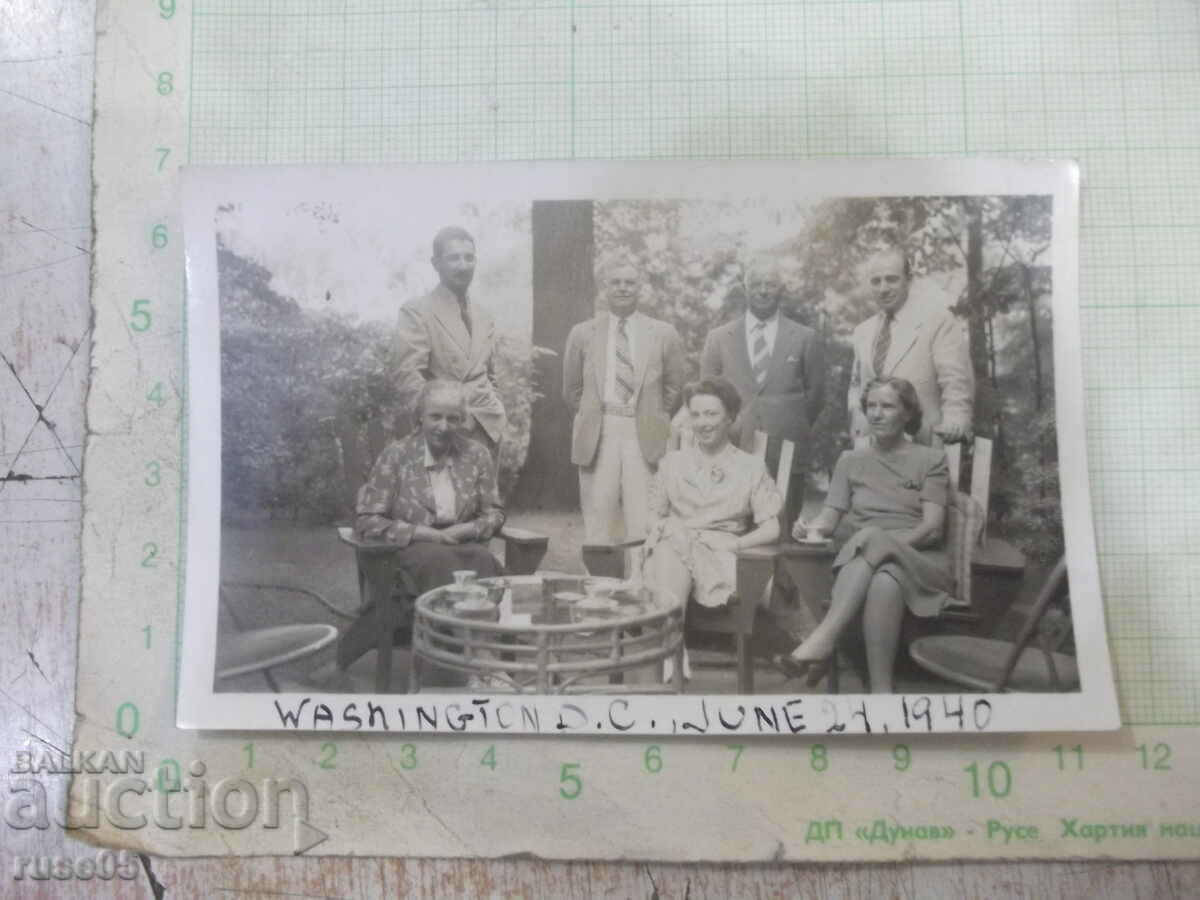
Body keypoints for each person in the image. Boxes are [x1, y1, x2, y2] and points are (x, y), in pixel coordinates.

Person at [775, 376, 953, 693]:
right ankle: (881, 693)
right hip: (870, 567)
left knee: (872, 537)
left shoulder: (931, 459)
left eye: (887, 406)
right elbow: (828, 520)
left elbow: (932, 528)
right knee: (885, 580)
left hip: (922, 563)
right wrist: (809, 527)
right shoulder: (850, 460)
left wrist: (883, 544)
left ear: (908, 413)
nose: (876, 414)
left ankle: (823, 640)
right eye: (871, 406)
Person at [563, 260, 687, 544]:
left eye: (629, 282)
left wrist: (651, 415)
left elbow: (674, 388)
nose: (622, 288)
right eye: (615, 282)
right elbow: (571, 390)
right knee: (598, 518)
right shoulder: (582, 333)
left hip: (643, 430)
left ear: (639, 288)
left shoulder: (663, 333)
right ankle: (598, 584)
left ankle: (642, 583)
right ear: (604, 288)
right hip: (599, 429)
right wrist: (596, 415)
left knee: (643, 517)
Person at [699, 257, 825, 529]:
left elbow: (816, 396)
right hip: (731, 447)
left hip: (785, 448)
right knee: (727, 528)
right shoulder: (719, 338)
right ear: (745, 290)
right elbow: (706, 395)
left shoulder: (805, 338)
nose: (763, 290)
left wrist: (786, 420)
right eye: (756, 284)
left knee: (781, 530)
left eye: (770, 284)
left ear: (781, 289)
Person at [642, 378, 782, 620]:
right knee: (670, 546)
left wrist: (735, 545)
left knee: (667, 554)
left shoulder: (750, 467)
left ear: (729, 417)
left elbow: (772, 528)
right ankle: (672, 652)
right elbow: (654, 514)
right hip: (674, 543)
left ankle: (669, 651)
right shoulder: (673, 464)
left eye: (710, 414)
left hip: (722, 556)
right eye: (695, 415)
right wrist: (659, 527)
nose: (702, 423)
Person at [356, 380, 505, 596]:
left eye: (453, 418)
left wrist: (468, 529)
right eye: (435, 416)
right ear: (420, 417)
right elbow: (367, 521)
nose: (443, 427)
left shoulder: (477, 455)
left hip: (463, 543)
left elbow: (495, 513)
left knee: (482, 559)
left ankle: (479, 625)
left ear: (463, 420)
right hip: (413, 548)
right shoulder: (396, 456)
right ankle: (450, 625)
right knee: (441, 561)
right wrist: (426, 534)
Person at [395, 227, 506, 459]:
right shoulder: (417, 311)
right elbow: (408, 375)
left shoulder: (484, 316)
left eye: (469, 257)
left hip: (488, 429)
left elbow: (489, 374)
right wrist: (437, 424)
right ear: (436, 263)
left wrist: (496, 408)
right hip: (445, 433)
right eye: (453, 258)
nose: (463, 265)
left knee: (486, 496)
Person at [848, 247, 973, 447]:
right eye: (876, 281)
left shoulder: (938, 321)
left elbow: (955, 380)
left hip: (922, 444)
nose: (883, 288)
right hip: (872, 446)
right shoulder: (863, 331)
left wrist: (956, 420)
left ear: (909, 279)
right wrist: (857, 423)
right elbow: (857, 385)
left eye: (891, 279)